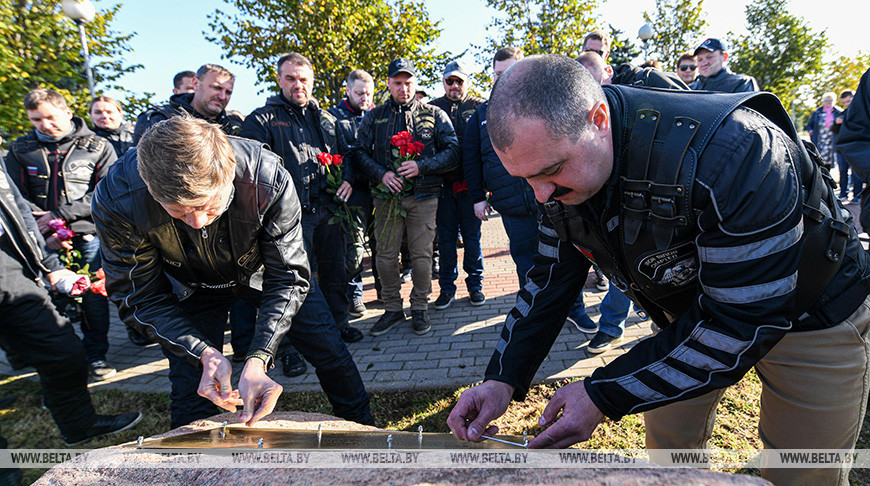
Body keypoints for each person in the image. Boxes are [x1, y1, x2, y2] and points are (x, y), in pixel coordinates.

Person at [448, 55, 870, 486]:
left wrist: (601, 394)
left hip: (814, 313)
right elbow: (549, 279)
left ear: (598, 119)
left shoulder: (739, 152)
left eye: (552, 172)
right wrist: (502, 377)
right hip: (687, 315)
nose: (541, 196)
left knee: (801, 471)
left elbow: (742, 320)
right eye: (525, 178)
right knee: (668, 458)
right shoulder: (556, 169)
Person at [93, 115, 374, 429]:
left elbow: (290, 274)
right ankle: (189, 467)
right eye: (177, 211)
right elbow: (139, 297)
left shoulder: (265, 176)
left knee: (330, 351)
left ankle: (366, 431)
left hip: (265, 273)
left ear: (228, 175)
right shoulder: (117, 197)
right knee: (190, 387)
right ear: (149, 186)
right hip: (189, 285)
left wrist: (259, 357)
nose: (198, 222)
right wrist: (202, 352)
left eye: (210, 206)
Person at [0, 162, 141, 446]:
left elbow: (19, 212)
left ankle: (79, 424)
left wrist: (50, 266)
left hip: (11, 269)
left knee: (62, 350)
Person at [242, 52, 364, 380]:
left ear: (312, 81)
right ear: (279, 80)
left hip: (330, 211)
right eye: (291, 78)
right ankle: (289, 349)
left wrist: (349, 179)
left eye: (304, 79)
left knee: (336, 272)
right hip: (288, 220)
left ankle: (338, 325)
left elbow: (349, 154)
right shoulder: (261, 120)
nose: (298, 85)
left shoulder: (327, 119)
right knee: (290, 285)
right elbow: (252, 171)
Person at [5, 88, 118, 381]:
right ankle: (64, 360)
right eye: (36, 119)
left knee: (93, 297)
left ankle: (96, 356)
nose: (44, 124)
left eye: (50, 117)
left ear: (67, 112)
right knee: (49, 300)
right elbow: (15, 196)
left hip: (87, 234)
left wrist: (59, 218)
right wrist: (44, 228)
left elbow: (107, 191)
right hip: (41, 238)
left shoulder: (98, 146)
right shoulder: (19, 149)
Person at [355, 58, 459, 336]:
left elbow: (453, 151)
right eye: (397, 83)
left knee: (422, 256)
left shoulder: (434, 114)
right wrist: (381, 174)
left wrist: (421, 166)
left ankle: (420, 308)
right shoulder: (374, 117)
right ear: (388, 83)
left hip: (424, 197)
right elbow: (358, 153)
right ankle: (392, 308)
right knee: (385, 256)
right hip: (387, 198)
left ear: (416, 82)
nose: (403, 88)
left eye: (408, 82)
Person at [430, 61, 486, 310]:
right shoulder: (430, 108)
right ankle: (446, 289)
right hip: (442, 188)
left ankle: (475, 285)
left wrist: (486, 186)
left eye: (459, 81)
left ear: (467, 82)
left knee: (472, 239)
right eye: (449, 81)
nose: (454, 86)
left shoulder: (479, 106)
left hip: (472, 188)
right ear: (443, 82)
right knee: (446, 240)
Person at [329, 69, 375, 318]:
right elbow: (344, 152)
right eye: (359, 93)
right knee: (354, 246)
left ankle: (384, 291)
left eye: (368, 93)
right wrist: (347, 178)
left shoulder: (377, 115)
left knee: (380, 243)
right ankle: (355, 295)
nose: (364, 98)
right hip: (353, 191)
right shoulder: (334, 117)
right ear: (347, 91)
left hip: (378, 189)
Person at [134, 63, 242, 144]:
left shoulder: (234, 126)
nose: (222, 96)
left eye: (228, 92)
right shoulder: (159, 119)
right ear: (195, 84)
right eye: (216, 88)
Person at [838, 68, 870, 231]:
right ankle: (847, 192)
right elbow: (853, 136)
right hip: (847, 155)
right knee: (846, 173)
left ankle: (855, 195)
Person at [576, 51, 688, 91]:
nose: (596, 90)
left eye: (596, 82)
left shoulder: (650, 79)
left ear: (609, 71)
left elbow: (693, 105)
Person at [689, 38, 759, 93]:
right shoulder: (690, 89)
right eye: (700, 59)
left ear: (725, 57)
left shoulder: (741, 83)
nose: (704, 63)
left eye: (710, 57)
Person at [832, 90, 861, 200]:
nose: (846, 104)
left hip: (856, 148)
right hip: (842, 149)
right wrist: (836, 123)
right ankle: (843, 193)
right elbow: (833, 130)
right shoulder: (842, 113)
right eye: (844, 102)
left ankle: (857, 195)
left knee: (856, 173)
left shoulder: (862, 113)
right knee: (842, 171)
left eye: (848, 101)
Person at [804, 92, 842, 168]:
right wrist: (810, 131)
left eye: (830, 100)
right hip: (820, 140)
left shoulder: (838, 112)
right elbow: (809, 125)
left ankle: (828, 176)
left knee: (830, 161)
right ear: (823, 102)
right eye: (826, 101)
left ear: (834, 101)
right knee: (819, 160)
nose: (828, 102)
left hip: (832, 140)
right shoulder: (817, 112)